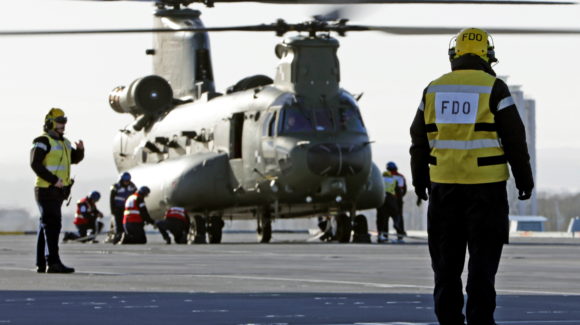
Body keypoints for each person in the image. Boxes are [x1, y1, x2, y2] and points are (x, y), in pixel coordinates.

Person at [410, 28, 534, 325]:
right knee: (482, 264)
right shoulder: (494, 88)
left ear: (455, 54)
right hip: (486, 190)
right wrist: (524, 180)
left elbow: (418, 140)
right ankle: (480, 321)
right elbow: (515, 138)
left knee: (445, 266)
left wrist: (419, 182)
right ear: (487, 55)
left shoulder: (433, 89)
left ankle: (449, 320)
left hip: (444, 189)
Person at [30, 108, 84, 273]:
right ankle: (52, 262)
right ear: (50, 123)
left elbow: (74, 159)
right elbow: (35, 164)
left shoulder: (64, 142)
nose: (63, 126)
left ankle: (41, 262)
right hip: (46, 189)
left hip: (58, 192)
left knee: (45, 225)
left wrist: (80, 151)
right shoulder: (42, 141)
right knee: (52, 226)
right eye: (59, 122)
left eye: (64, 123)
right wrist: (54, 180)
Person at [375, 169, 404, 243]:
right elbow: (399, 194)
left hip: (382, 201)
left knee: (382, 219)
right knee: (396, 216)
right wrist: (399, 205)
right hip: (392, 201)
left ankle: (382, 235)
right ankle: (398, 231)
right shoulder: (394, 181)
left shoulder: (380, 180)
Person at [108, 172, 137, 244]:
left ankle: (127, 237)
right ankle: (118, 237)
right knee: (118, 224)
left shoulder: (132, 186)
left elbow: (135, 197)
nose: (126, 182)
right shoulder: (116, 187)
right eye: (125, 180)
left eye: (128, 180)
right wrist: (112, 210)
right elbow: (111, 199)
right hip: (118, 208)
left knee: (127, 224)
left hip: (127, 209)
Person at [387, 161, 408, 242]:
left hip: (388, 200)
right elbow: (404, 189)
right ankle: (400, 234)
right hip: (398, 200)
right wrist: (400, 197)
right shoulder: (401, 177)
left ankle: (384, 235)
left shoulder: (387, 176)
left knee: (385, 218)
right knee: (399, 217)